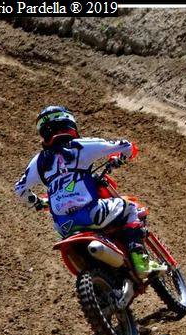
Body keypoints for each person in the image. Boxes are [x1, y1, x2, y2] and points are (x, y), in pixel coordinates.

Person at [14, 105, 165, 278]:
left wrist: (38, 202)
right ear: (68, 123)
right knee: (130, 208)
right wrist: (121, 158)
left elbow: (20, 188)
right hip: (92, 214)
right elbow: (125, 146)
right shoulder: (81, 146)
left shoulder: (39, 161)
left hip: (64, 227)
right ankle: (141, 263)